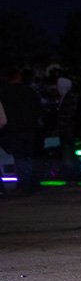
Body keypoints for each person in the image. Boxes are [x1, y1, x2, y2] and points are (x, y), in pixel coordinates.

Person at [0, 65, 43, 194]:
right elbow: (37, 109)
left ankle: (23, 185)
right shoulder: (28, 91)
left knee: (19, 158)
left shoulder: (4, 92)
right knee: (27, 157)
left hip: (13, 129)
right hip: (28, 128)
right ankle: (28, 183)